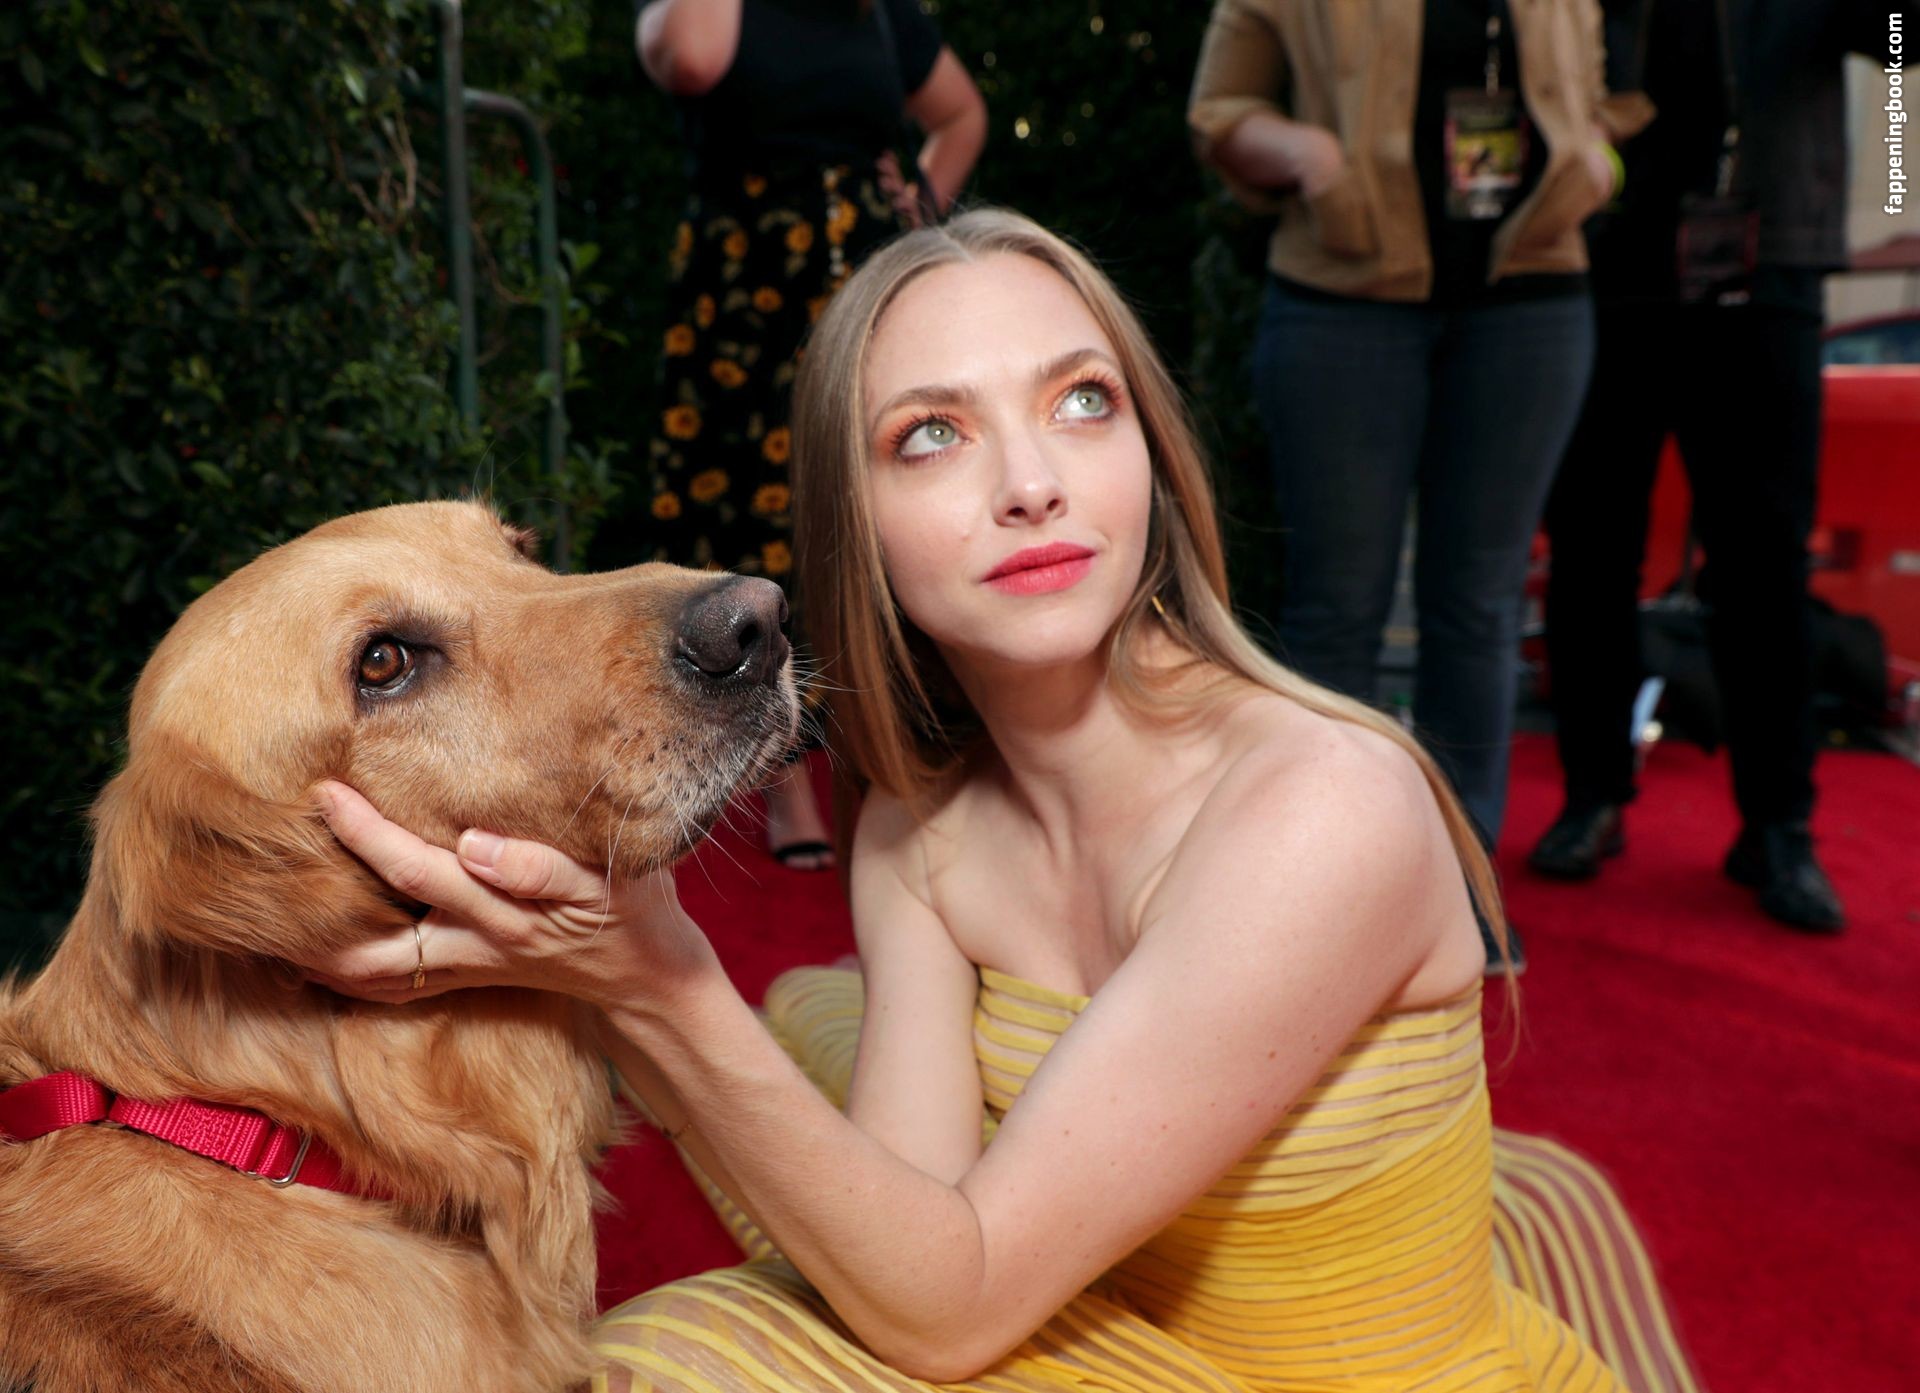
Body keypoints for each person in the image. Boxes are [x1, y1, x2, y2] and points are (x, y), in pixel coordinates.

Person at [306, 211, 1697, 1392]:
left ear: (1152, 454)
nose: (1032, 484)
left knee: (680, 1325)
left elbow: (951, 1310)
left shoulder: (1325, 805)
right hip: (1093, 1345)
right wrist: (601, 960)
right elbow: (899, 1272)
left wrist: (655, 983)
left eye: (1083, 402)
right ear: (856, 522)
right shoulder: (920, 833)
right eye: (932, 435)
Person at [1187, 0, 1653, 967]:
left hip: (1533, 300)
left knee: (1480, 605)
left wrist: (1591, 163)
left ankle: (1460, 891)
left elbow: (1630, 89)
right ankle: (1319, 883)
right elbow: (1220, 112)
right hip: (1343, 299)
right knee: (1336, 608)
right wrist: (1311, 154)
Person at [1529, 0, 1895, 933]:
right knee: (1590, 548)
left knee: (1764, 560)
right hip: (1608, 256)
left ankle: (1778, 824)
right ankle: (1592, 794)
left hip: (1770, 258)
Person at [596, 0, 986, 870]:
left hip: (862, 279)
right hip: (747, 287)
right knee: (740, 506)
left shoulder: (880, 11)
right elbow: (694, 59)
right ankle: (782, 780)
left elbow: (962, 112)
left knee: (886, 499)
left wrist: (923, 204)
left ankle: (893, 745)